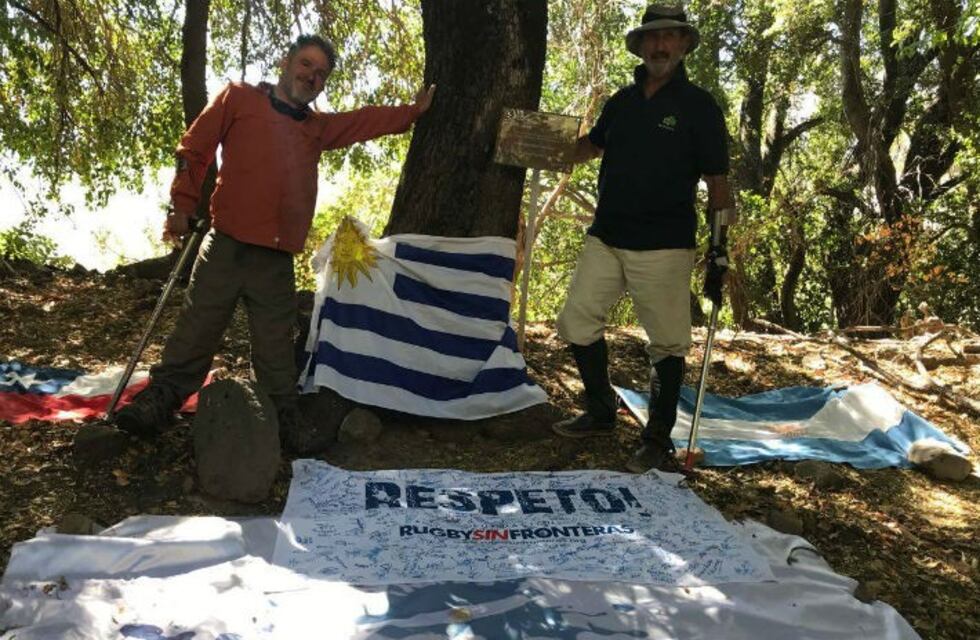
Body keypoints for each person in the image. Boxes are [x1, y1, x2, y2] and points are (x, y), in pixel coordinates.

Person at [114, 34, 435, 452]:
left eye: (320, 74)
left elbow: (362, 121)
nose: (311, 76)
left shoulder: (317, 128)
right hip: (225, 245)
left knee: (275, 350)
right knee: (197, 329)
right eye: (306, 64)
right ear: (286, 62)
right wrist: (180, 205)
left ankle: (283, 418)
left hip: (276, 259)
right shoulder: (238, 98)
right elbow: (194, 149)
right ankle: (161, 400)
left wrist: (412, 113)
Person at [550, 4, 735, 473]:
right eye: (653, 37)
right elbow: (589, 147)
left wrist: (719, 248)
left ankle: (656, 440)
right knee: (575, 321)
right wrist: (536, 146)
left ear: (684, 45)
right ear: (640, 45)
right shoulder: (622, 102)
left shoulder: (700, 107)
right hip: (607, 236)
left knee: (668, 343)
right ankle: (600, 411)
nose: (660, 45)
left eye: (670, 36)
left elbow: (717, 182)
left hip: (666, 243)